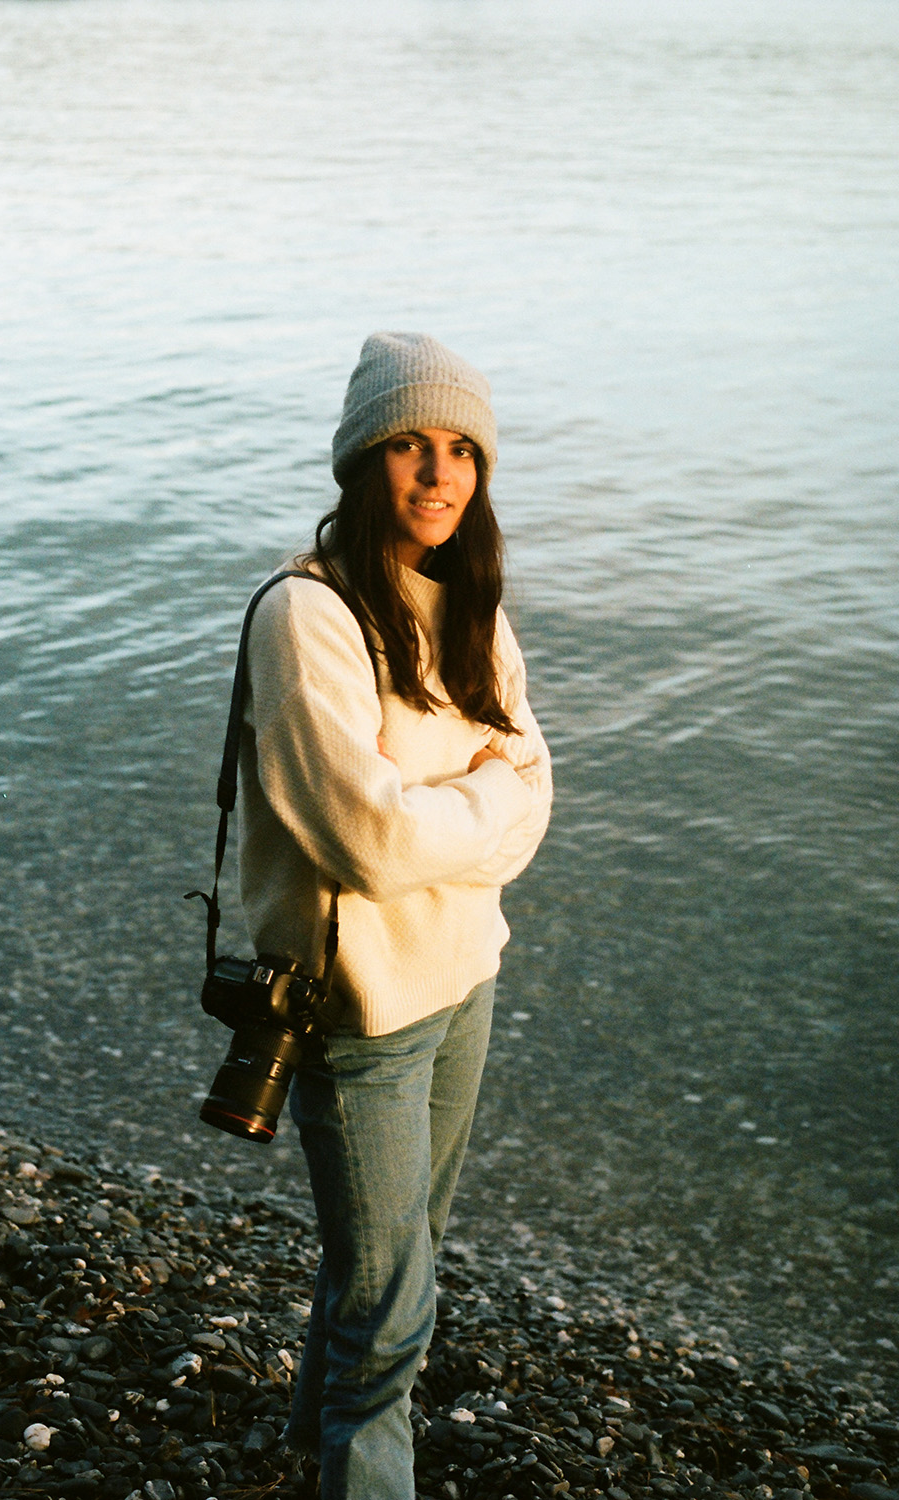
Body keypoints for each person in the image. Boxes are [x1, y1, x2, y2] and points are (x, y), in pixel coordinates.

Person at [236, 331, 552, 1499]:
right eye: (411, 445)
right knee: (389, 1302)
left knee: (396, 1256)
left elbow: (538, 795)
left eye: (462, 447)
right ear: (364, 460)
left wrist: (448, 808)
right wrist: (479, 795)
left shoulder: (464, 605)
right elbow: (367, 840)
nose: (438, 474)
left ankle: (307, 1454)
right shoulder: (308, 616)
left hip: (465, 976)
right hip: (361, 1006)